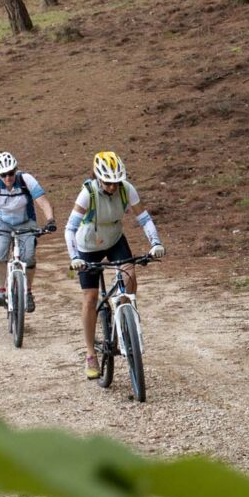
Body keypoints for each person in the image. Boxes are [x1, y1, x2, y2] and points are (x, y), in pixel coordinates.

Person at [65, 151, 166, 379]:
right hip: (88, 247)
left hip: (114, 240)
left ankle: (125, 319)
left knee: (129, 277)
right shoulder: (87, 193)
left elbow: (144, 218)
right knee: (90, 298)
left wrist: (155, 243)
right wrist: (74, 257)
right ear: (98, 178)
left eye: (116, 182)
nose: (112, 187)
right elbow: (70, 228)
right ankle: (91, 354)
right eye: (108, 183)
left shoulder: (126, 189)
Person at [0, 152, 56, 312]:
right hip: (1, 224)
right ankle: (0, 291)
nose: (8, 178)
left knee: (28, 257)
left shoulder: (26, 180)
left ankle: (27, 292)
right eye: (3, 175)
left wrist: (50, 220)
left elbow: (43, 202)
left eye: (11, 173)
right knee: (0, 252)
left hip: (25, 223)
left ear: (16, 170)